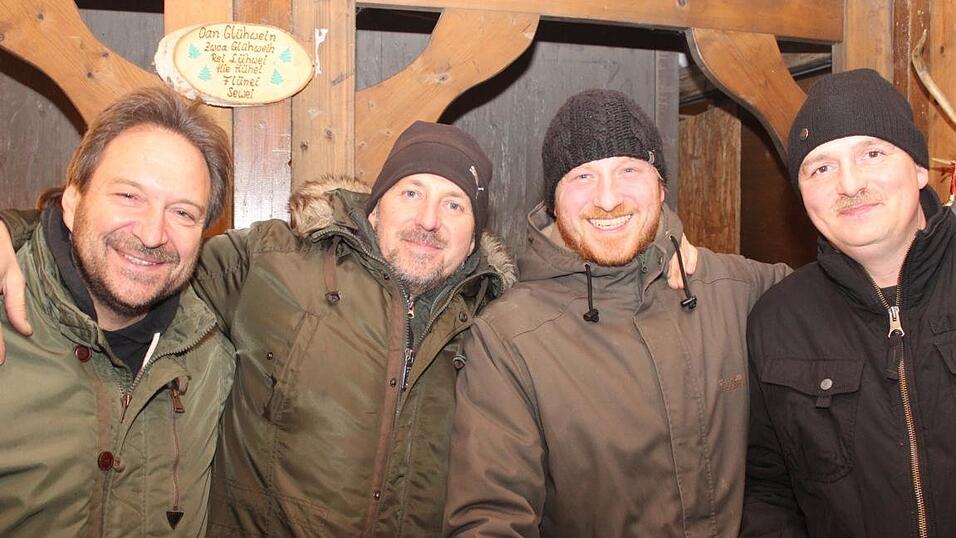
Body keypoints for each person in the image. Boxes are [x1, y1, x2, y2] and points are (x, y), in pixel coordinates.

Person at [443, 89, 790, 537]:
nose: (608, 199)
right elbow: (489, 517)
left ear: (661, 186)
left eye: (629, 169)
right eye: (583, 176)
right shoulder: (510, 337)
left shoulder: (737, 289)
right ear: (553, 201)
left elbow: (852, 294)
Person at [0, 87, 235, 536]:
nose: (151, 234)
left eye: (183, 213)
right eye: (129, 196)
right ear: (71, 201)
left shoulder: (213, 359)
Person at [742, 69, 956, 537]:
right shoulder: (778, 320)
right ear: (801, 195)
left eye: (872, 153)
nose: (849, 183)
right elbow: (768, 492)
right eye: (821, 167)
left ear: (920, 168)